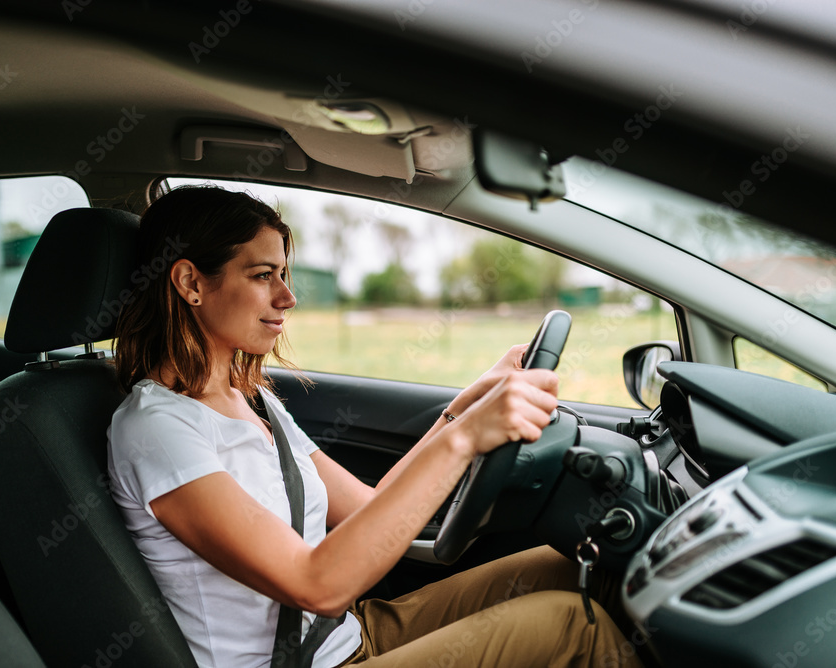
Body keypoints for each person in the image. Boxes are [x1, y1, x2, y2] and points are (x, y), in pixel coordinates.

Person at [107, 185, 644, 668]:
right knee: (570, 626)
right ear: (190, 282)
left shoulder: (252, 401)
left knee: (570, 565)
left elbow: (368, 507)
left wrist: (467, 403)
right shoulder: (158, 430)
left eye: (284, 274)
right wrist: (464, 439)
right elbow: (316, 585)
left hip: (348, 639)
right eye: (262, 275)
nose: (287, 297)